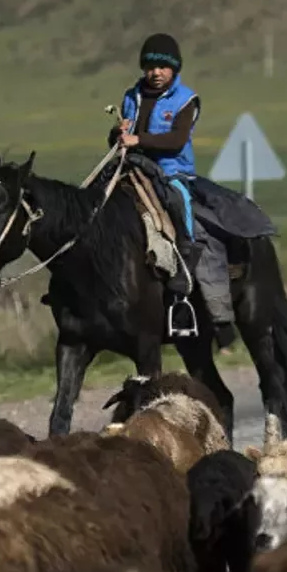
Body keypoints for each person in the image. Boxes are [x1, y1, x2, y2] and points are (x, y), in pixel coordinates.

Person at [109, 33, 236, 350]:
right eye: (150, 66)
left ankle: (185, 259)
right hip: (132, 167)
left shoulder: (186, 100)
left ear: (175, 69)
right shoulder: (131, 96)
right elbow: (121, 135)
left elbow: (177, 140)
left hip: (172, 171)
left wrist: (139, 141)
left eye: (163, 67)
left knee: (179, 203)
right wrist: (118, 133)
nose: (156, 72)